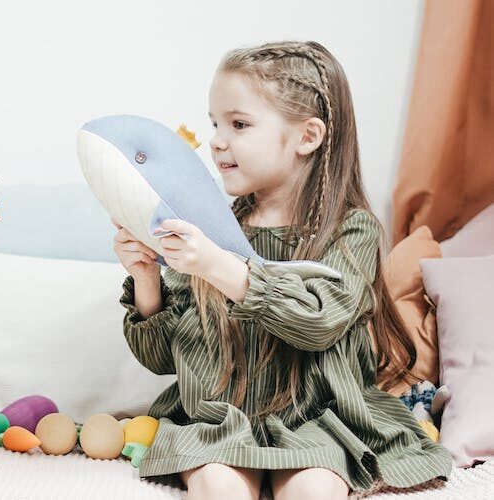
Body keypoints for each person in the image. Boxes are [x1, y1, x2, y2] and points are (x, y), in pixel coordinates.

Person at [113, 41, 451, 500]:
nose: (216, 140)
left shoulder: (350, 230)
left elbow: (317, 322)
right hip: (220, 420)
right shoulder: (207, 226)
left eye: (239, 123)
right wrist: (147, 278)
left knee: (314, 488)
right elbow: (161, 360)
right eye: (214, 123)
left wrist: (219, 265)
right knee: (217, 485)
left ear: (307, 137)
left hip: (319, 421)